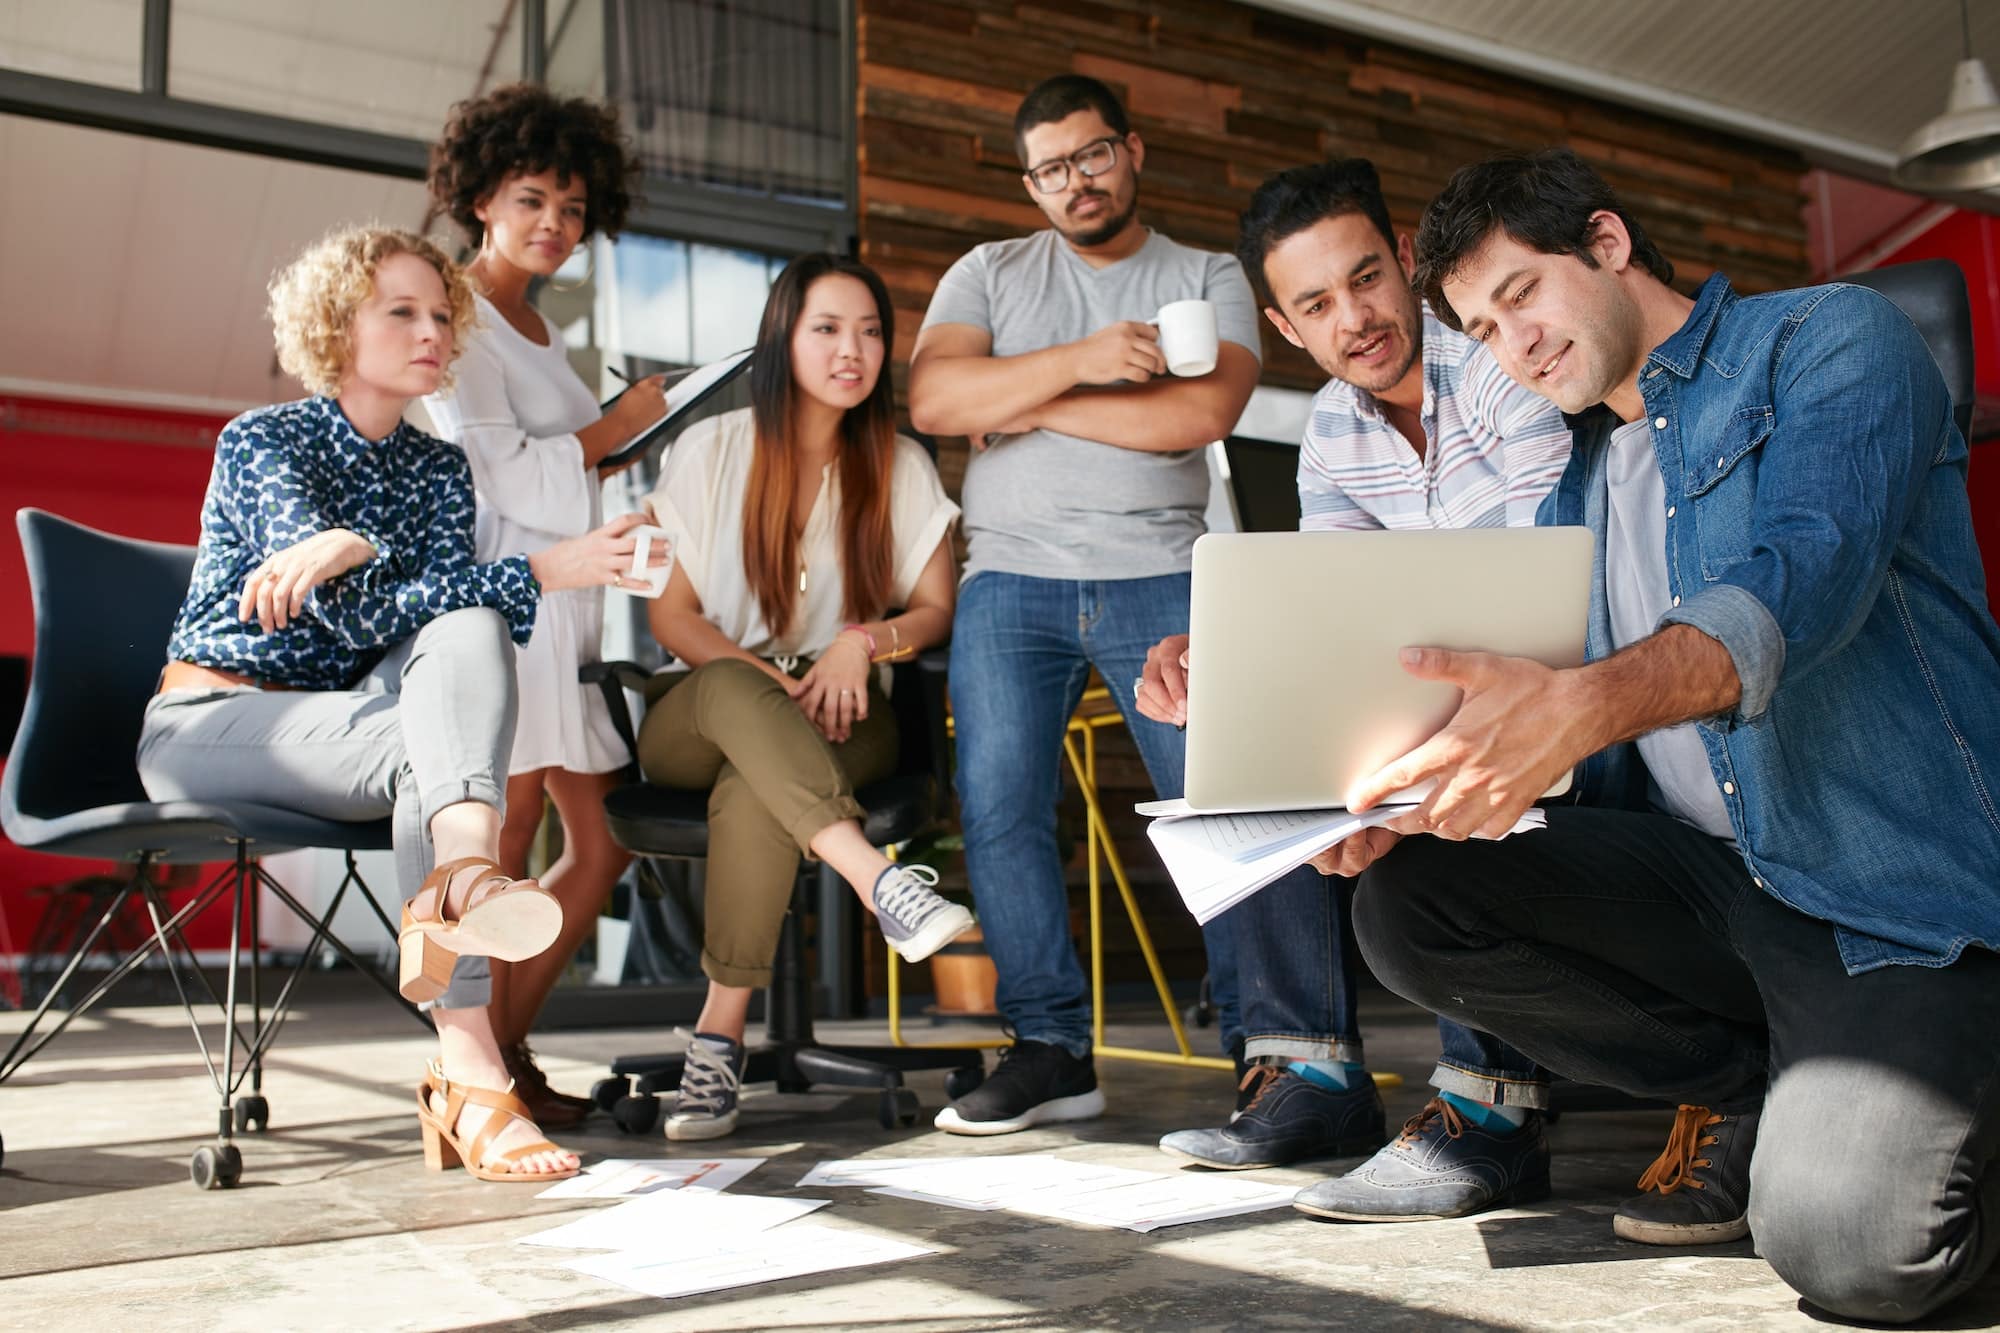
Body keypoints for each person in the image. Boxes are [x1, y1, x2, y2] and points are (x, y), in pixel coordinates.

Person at [1329, 147, 2000, 1322]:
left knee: (1851, 1252)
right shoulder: (1573, 490)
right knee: (1411, 899)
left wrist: (1586, 697)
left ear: (1605, 242)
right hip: (1720, 890)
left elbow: (1803, 580)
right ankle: (1770, 1083)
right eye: (1481, 331)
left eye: (1520, 294)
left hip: (1890, 902)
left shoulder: (1830, 341)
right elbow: (1587, 763)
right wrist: (1415, 802)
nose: (1513, 347)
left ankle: (1919, 1082)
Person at [137, 226, 661, 1182]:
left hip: (348, 731)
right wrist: (390, 554)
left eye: (441, 315)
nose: (433, 333)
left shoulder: (436, 468)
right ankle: (469, 1055)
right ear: (339, 328)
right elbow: (341, 615)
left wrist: (375, 551)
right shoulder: (263, 441)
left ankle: (462, 899)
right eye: (402, 312)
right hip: (212, 725)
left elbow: (436, 620)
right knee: (461, 645)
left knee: (466, 635)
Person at [1135, 158, 1574, 1221]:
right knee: (1258, 758)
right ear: (1286, 327)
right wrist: (1238, 662)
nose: (1356, 317)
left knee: (1434, 754)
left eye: (1367, 278)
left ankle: (1491, 1108)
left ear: (1408, 269)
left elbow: (1542, 580)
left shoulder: (1500, 366)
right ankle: (1311, 1078)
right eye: (1317, 303)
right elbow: (1346, 607)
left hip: (1550, 690)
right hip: (1434, 689)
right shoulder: (1332, 430)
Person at [907, 74, 1263, 1135]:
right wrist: (1090, 364)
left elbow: (1200, 411)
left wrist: (1022, 400)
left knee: (1220, 808)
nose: (1075, 181)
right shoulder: (988, 270)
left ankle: (1268, 1046)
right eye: (1051, 168)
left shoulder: (1203, 274)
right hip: (1008, 581)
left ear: (1132, 149)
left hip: (1162, 572)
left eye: (1092, 154)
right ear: (1031, 181)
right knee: (1001, 810)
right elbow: (932, 400)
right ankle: (1052, 1049)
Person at [636, 253, 973, 1141]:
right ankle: (881, 881)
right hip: (704, 704)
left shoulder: (897, 463)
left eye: (869, 331)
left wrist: (860, 643)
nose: (851, 349)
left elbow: (934, 609)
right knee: (731, 696)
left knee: (758, 785)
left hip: (845, 711)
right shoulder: (708, 450)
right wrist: (769, 682)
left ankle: (717, 1043)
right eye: (827, 328)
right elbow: (673, 619)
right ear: (782, 338)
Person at [422, 83, 663, 1129]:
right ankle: (479, 1072)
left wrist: (627, 439)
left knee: (599, 841)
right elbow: (495, 471)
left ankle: (501, 1054)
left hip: (568, 608)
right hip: (505, 606)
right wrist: (617, 426)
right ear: (481, 197)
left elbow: (560, 474)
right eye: (530, 200)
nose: (553, 226)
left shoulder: (538, 327)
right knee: (500, 844)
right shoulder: (459, 316)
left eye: (570, 208)